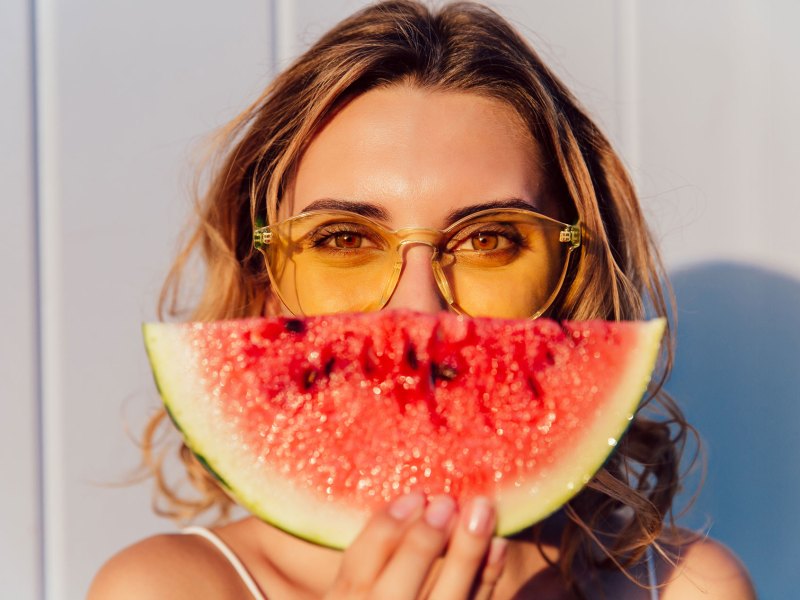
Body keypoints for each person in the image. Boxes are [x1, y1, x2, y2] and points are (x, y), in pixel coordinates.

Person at [88, 2, 755, 598]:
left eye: (491, 238)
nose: (419, 312)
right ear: (264, 281)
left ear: (572, 274)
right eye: (343, 237)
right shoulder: (169, 588)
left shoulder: (679, 589)